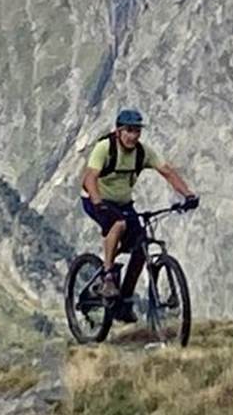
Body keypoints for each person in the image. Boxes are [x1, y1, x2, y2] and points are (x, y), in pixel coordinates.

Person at [81, 108, 198, 323]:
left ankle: (124, 301)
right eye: (129, 131)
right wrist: (98, 202)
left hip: (124, 203)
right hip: (95, 199)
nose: (133, 136)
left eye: (137, 131)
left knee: (141, 247)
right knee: (118, 223)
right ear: (118, 131)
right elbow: (90, 178)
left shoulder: (143, 153)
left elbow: (168, 172)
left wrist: (188, 195)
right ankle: (107, 275)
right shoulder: (105, 148)